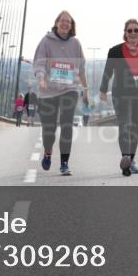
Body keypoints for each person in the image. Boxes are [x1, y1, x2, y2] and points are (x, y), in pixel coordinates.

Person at [100, 18, 138, 175]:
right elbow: (107, 72)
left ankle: (132, 159)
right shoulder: (115, 51)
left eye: (136, 30)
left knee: (134, 127)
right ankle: (125, 158)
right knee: (125, 124)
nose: (133, 33)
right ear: (125, 34)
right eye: (130, 30)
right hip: (120, 94)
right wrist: (102, 90)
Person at [32, 10, 89, 175]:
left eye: (68, 22)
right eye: (62, 21)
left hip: (69, 89)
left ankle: (65, 163)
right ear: (56, 23)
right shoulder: (46, 42)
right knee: (49, 130)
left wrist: (85, 89)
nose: (65, 24)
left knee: (66, 124)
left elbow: (82, 69)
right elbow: (40, 64)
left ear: (72, 26)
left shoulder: (75, 44)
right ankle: (48, 152)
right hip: (48, 91)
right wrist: (41, 79)